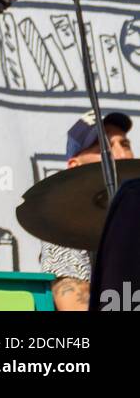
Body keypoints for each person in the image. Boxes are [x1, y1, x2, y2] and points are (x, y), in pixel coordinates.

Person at [40, 109, 134, 311]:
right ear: (75, 165)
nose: (121, 154)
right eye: (105, 147)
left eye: (124, 144)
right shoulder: (65, 222)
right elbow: (74, 305)